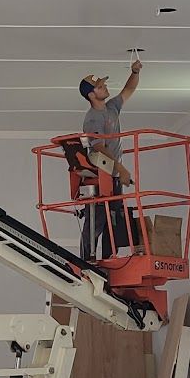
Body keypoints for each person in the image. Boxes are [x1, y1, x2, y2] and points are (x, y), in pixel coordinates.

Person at [76, 57, 142, 252]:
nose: (104, 87)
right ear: (91, 94)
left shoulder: (111, 107)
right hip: (100, 176)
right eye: (100, 86)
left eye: (103, 84)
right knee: (97, 220)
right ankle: (86, 261)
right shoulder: (93, 119)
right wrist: (121, 169)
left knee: (114, 218)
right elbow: (99, 148)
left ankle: (109, 259)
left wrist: (135, 72)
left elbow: (128, 90)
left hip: (112, 175)